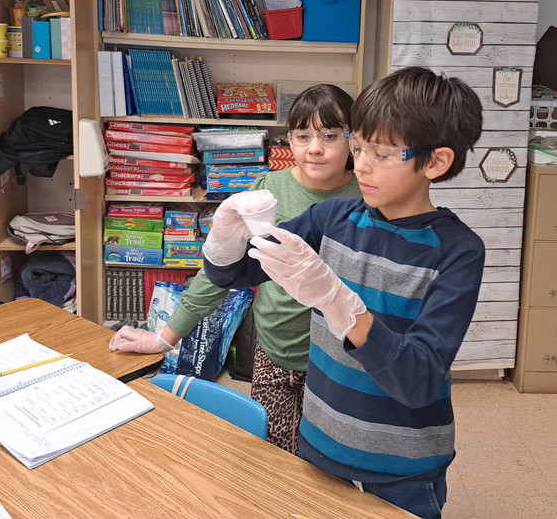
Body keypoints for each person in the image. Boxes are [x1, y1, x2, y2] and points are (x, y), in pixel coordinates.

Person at [202, 66, 485, 519]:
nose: (361, 164)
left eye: (382, 153)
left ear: (435, 161)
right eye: (358, 147)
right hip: (323, 441)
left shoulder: (458, 251)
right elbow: (235, 274)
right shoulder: (334, 218)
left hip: (403, 464)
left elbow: (420, 381)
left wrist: (339, 304)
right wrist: (226, 235)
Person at [109, 83, 360, 454]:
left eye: (330, 135)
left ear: (353, 139)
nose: (315, 147)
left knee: (330, 459)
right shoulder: (267, 191)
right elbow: (219, 272)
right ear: (288, 140)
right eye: (303, 135)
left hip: (339, 357)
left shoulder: (366, 197)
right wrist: (165, 337)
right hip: (274, 350)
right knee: (274, 456)